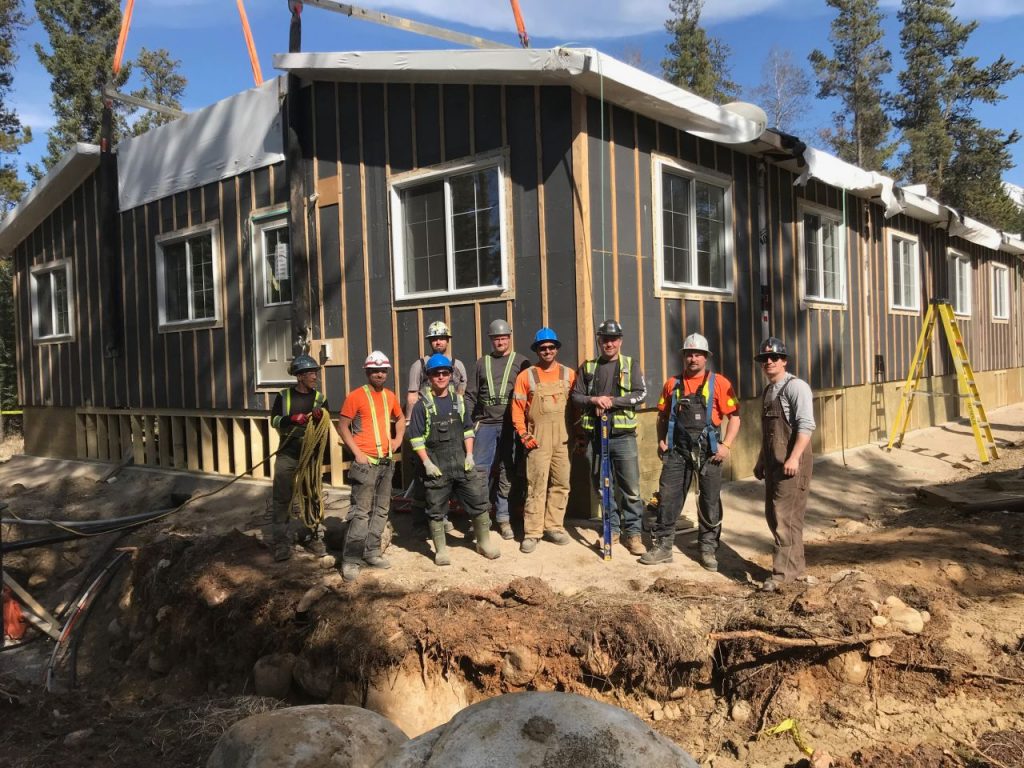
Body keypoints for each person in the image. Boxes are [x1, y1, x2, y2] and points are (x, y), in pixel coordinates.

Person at [640, 333, 741, 571]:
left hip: (710, 451)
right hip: (677, 450)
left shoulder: (720, 383)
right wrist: (661, 440)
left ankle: (707, 548)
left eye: (698, 354)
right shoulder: (672, 384)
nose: (693, 358)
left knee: (709, 500)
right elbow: (662, 416)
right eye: (689, 354)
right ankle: (663, 546)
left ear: (706, 357)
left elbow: (734, 418)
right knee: (669, 497)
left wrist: (726, 445)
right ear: (684, 356)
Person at [407, 354, 501, 566]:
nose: (440, 376)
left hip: (461, 462)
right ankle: (440, 550)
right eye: (435, 373)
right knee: (436, 509)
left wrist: (469, 455)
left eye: (444, 373)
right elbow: (415, 438)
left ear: (450, 375)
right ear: (428, 377)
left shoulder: (459, 401)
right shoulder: (422, 406)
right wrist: (427, 463)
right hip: (437, 466)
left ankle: (483, 543)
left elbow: (468, 430)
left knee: (478, 501)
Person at [571, 319, 648, 556]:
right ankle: (611, 529)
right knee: (603, 486)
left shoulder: (630, 364)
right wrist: (594, 400)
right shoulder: (589, 367)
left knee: (631, 488)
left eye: (613, 339)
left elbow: (641, 394)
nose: (609, 343)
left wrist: (613, 402)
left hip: (623, 437)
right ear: (599, 341)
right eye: (605, 339)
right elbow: (576, 396)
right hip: (596, 436)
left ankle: (633, 533)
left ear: (620, 341)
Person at [337, 351, 406, 582]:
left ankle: (372, 552)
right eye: (375, 370)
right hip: (366, 465)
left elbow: (401, 419)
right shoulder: (356, 396)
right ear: (367, 372)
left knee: (382, 510)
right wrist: (357, 453)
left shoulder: (390, 396)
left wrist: (397, 440)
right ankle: (351, 560)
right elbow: (343, 426)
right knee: (360, 513)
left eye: (383, 370)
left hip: (386, 464)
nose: (379, 373)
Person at [753, 336, 815, 590]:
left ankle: (782, 575)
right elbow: (768, 433)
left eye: (774, 357)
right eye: (764, 359)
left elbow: (806, 425)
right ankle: (795, 569)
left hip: (791, 463)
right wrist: (761, 460)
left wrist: (794, 457)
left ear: (784, 361)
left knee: (785, 518)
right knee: (776, 515)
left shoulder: (796, 387)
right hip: (773, 463)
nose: (769, 362)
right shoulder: (769, 390)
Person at [511, 327, 576, 553]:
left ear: (556, 349)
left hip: (563, 438)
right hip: (537, 439)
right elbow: (517, 410)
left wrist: (579, 435)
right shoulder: (526, 376)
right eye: (542, 348)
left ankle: (554, 527)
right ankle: (532, 532)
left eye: (551, 347)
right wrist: (523, 434)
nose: (547, 351)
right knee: (536, 485)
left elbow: (576, 409)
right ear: (537, 350)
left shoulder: (569, 374)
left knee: (561, 484)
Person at [466, 319, 529, 540]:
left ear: (509, 338)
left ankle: (503, 519)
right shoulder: (481, 363)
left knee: (507, 471)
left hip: (511, 426)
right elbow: (470, 395)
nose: (500, 341)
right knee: (479, 472)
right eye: (496, 338)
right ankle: (480, 519)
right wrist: (466, 423)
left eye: (503, 338)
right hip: (485, 424)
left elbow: (530, 395)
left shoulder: (522, 362)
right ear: (490, 340)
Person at [404, 320, 468, 531]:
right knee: (423, 474)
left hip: (449, 427)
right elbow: (413, 396)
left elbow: (460, 396)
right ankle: (419, 519)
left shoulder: (457, 365)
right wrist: (410, 425)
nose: (438, 342)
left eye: (442, 338)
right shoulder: (419, 365)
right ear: (430, 341)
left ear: (447, 340)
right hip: (425, 425)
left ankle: (442, 516)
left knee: (448, 472)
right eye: (434, 339)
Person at [269, 354, 329, 562]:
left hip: (309, 457)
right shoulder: (284, 396)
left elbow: (325, 425)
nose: (315, 376)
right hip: (287, 453)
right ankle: (281, 542)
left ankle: (312, 536)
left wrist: (321, 416)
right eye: (311, 373)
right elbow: (274, 420)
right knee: (282, 497)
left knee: (310, 494)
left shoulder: (319, 398)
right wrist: (290, 419)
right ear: (300, 376)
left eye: (315, 373)